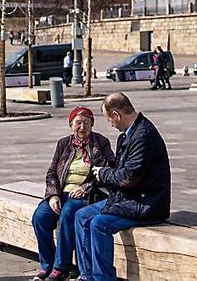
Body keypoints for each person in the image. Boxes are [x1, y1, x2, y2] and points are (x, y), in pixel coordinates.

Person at [74, 93, 171, 281]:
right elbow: (120, 173)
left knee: (99, 224)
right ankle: (87, 276)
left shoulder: (143, 135)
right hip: (128, 199)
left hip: (146, 204)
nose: (110, 124)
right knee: (81, 216)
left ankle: (103, 278)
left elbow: (129, 178)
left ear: (116, 115)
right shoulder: (127, 136)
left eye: (109, 119)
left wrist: (103, 173)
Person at [30, 107, 115, 281]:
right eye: (78, 122)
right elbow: (52, 172)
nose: (82, 126)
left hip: (87, 193)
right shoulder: (63, 143)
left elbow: (109, 170)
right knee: (40, 217)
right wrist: (53, 195)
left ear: (92, 124)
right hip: (62, 192)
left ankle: (61, 267)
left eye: (86, 122)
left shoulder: (101, 142)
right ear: (71, 125)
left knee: (69, 212)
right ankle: (47, 264)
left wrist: (85, 186)